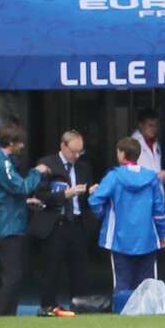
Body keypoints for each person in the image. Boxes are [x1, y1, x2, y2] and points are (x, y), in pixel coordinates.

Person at [89, 137, 165, 295]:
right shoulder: (152, 177)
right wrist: (162, 235)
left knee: (122, 286)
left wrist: (104, 215)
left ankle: (123, 310)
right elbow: (159, 211)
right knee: (148, 288)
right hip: (147, 239)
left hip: (119, 239)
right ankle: (147, 311)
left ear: (121, 154)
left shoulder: (113, 176)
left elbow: (95, 201)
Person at [0, 121, 50, 317]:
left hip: (9, 223)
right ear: (11, 143)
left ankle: (6, 317)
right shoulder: (2, 163)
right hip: (8, 226)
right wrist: (37, 172)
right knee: (12, 276)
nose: (22, 146)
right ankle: (3, 317)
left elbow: (7, 195)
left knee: (9, 275)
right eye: (20, 142)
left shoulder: (2, 162)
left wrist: (25, 202)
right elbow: (20, 187)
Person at [32, 129, 97, 316]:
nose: (76, 156)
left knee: (79, 268)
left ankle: (80, 304)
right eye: (73, 151)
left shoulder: (84, 167)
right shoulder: (47, 164)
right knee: (51, 267)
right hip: (55, 222)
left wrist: (91, 192)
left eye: (80, 152)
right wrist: (65, 194)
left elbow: (85, 199)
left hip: (76, 222)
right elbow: (40, 194)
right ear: (63, 146)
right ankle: (48, 306)